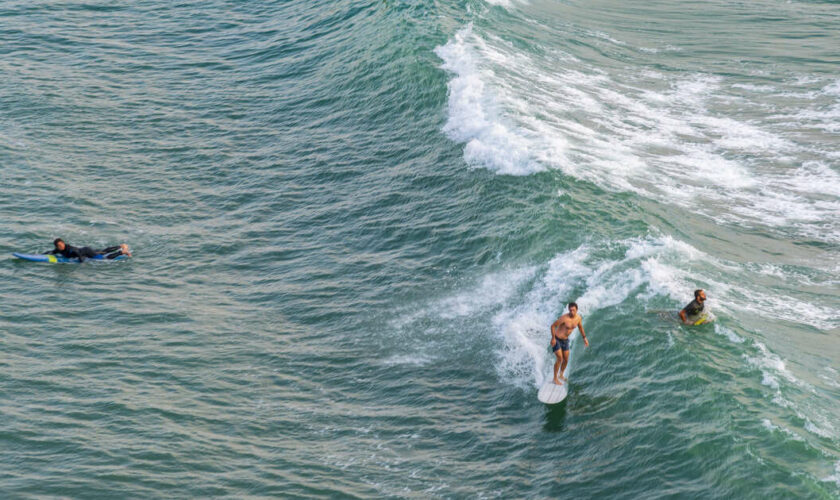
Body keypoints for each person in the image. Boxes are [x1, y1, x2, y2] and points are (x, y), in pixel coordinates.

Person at [550, 302, 589, 386]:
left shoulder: (578, 318)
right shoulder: (564, 318)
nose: (571, 312)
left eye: (573, 310)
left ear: (576, 310)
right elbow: (553, 326)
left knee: (566, 359)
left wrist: (584, 338)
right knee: (560, 358)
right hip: (557, 340)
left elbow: (580, 327)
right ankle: (555, 378)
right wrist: (553, 338)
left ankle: (561, 374)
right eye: (570, 310)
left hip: (565, 340)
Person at [46, 238, 132, 262]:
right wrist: (43, 254)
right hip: (85, 250)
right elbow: (51, 252)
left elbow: (77, 253)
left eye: (62, 244)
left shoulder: (69, 248)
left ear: (63, 243)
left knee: (103, 257)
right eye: (59, 246)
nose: (61, 246)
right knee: (102, 251)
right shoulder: (58, 250)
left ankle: (122, 251)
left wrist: (81, 261)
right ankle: (120, 246)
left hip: (86, 251)